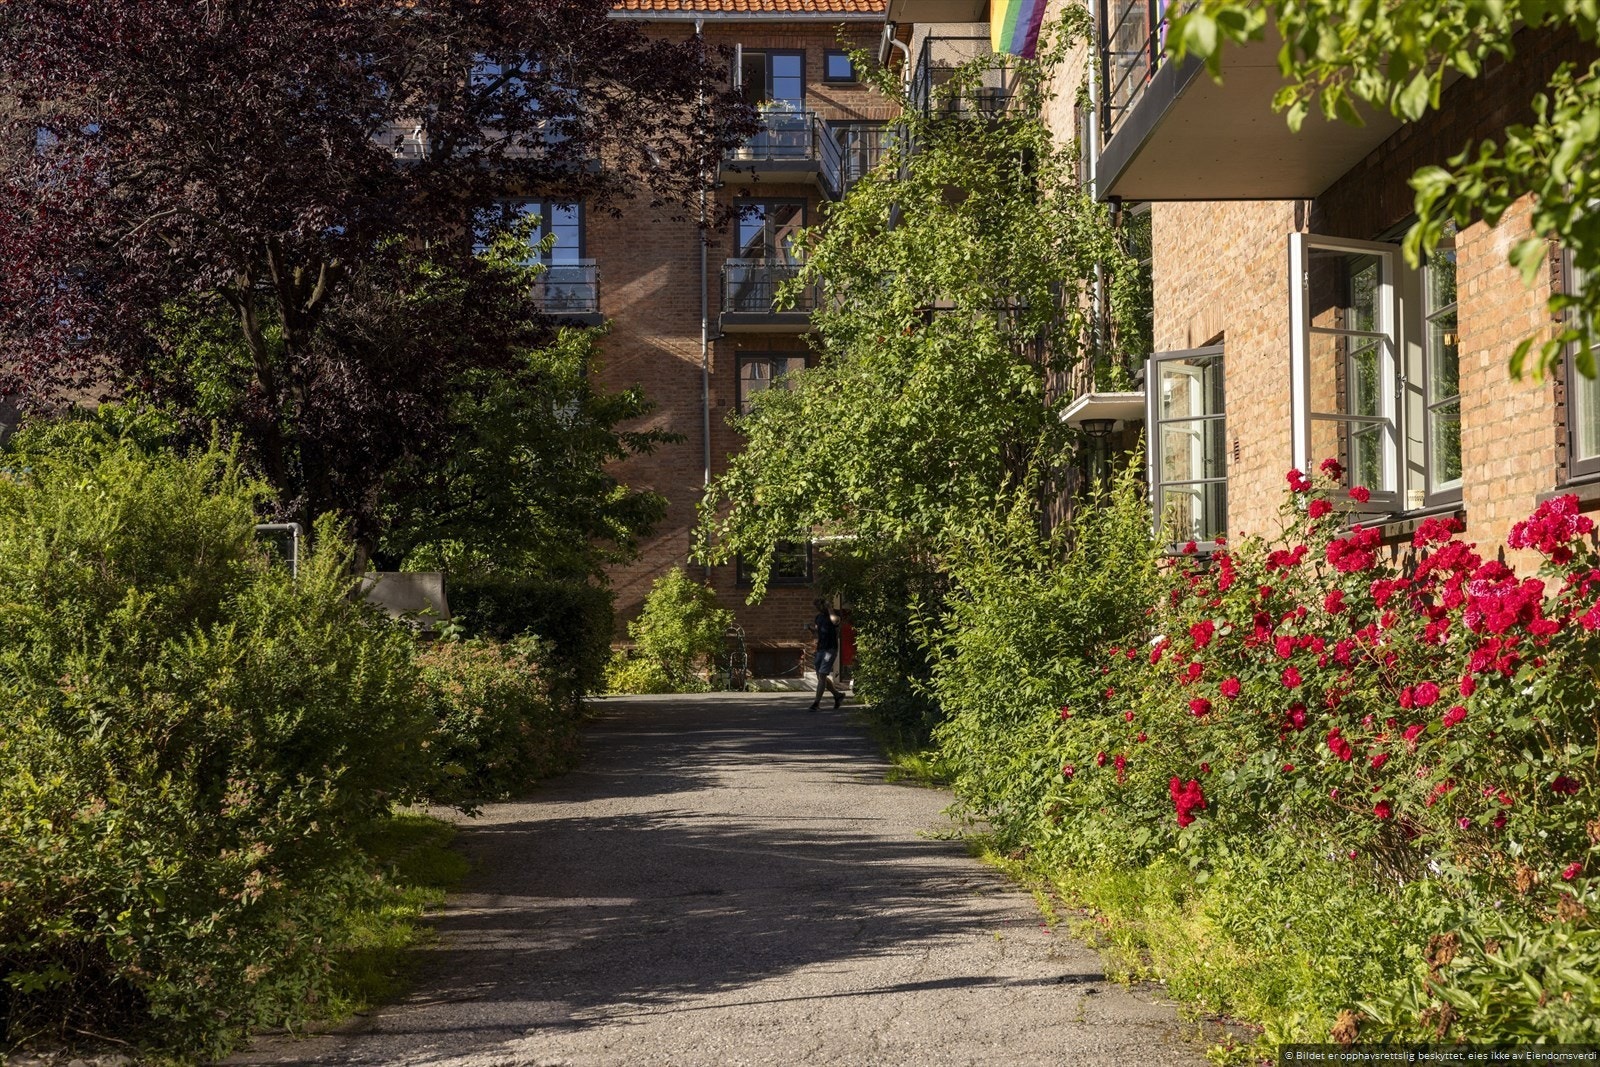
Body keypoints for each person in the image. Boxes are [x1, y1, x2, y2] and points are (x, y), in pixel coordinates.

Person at [807, 598, 847, 711]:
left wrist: (830, 608)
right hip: (821, 649)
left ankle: (816, 703)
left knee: (823, 675)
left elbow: (835, 621)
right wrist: (811, 629)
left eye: (820, 605)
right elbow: (818, 630)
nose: (818, 608)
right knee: (820, 676)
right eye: (817, 607)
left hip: (830, 649)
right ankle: (837, 695)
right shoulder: (818, 617)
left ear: (825, 604)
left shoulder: (834, 614)